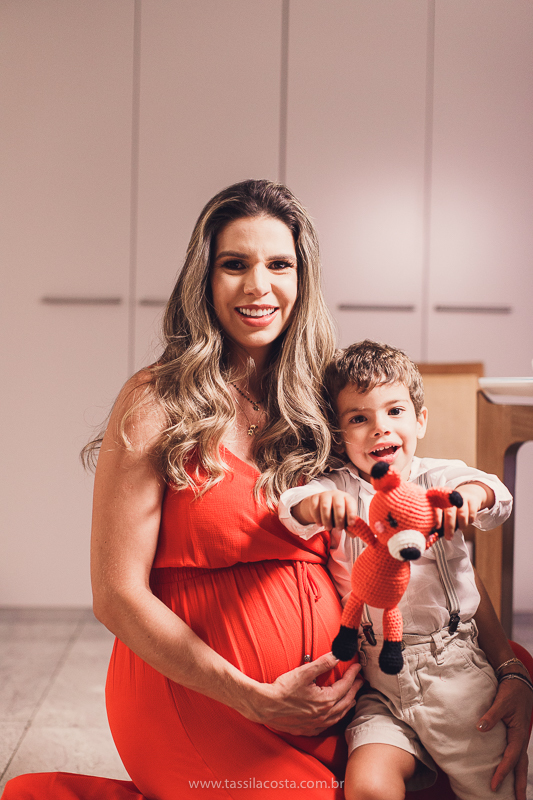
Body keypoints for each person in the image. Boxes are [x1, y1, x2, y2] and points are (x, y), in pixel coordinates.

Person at [1, 187, 529, 800]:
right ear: (204, 279)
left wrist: (510, 665)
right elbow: (115, 595)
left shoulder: (327, 402)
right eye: (235, 264)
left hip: (354, 704)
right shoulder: (155, 402)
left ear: (302, 279)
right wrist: (252, 698)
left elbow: (420, 545)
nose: (259, 286)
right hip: (201, 696)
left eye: (279, 265)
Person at [278, 340, 533, 800]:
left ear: (420, 420)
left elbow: (494, 491)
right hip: (377, 681)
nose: (380, 429)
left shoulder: (436, 478)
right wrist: (317, 505)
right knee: (369, 786)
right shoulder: (339, 486)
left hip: (452, 668)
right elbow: (290, 508)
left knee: (496, 787)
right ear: (339, 435)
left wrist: (470, 500)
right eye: (359, 418)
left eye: (395, 411)